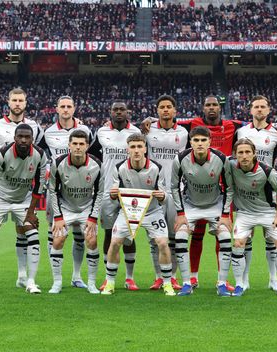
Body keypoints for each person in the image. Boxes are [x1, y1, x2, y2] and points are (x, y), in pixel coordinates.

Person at [142, 95, 244, 291]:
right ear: (202, 108)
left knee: (221, 235)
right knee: (175, 236)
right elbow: (167, 118)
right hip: (177, 190)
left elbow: (251, 122)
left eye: (215, 104)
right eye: (208, 105)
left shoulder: (232, 125)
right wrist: (149, 120)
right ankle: (186, 278)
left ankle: (222, 280)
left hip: (218, 193)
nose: (212, 108)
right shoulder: (191, 124)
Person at [0, 87, 46, 291]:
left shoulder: (34, 127)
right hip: (1, 187)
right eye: (14, 100)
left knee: (24, 231)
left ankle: (24, 277)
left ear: (25, 103)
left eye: (20, 100)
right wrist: (5, 164)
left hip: (23, 191)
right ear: (8, 102)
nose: (17, 103)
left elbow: (39, 156)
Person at [101, 133, 175, 296]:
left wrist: (163, 196)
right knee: (115, 242)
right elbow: (114, 194)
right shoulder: (119, 167)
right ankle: (110, 282)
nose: (136, 150)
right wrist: (113, 194)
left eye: (139, 146)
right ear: (127, 149)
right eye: (133, 147)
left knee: (163, 243)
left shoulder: (157, 168)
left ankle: (167, 283)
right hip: (128, 212)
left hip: (152, 211)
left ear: (145, 149)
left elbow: (165, 194)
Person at [236, 95, 277, 291]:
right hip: (245, 188)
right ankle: (244, 280)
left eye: (263, 107)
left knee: (273, 239)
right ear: (250, 110)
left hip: (269, 188)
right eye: (256, 107)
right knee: (246, 236)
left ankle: (273, 279)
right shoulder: (242, 131)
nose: (259, 110)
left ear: (268, 110)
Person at [223, 138, 277, 297]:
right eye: (240, 152)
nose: (244, 156)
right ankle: (240, 284)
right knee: (238, 243)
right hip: (245, 213)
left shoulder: (267, 171)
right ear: (235, 155)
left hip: (268, 212)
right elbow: (215, 158)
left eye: (248, 152)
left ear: (254, 154)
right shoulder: (230, 164)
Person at [171, 126, 233, 297]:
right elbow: (174, 187)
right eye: (196, 140)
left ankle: (221, 283)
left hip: (214, 204)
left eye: (203, 140)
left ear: (209, 142)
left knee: (226, 238)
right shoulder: (181, 158)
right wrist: (180, 213)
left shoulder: (221, 159)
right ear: (190, 142)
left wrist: (226, 215)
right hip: (190, 206)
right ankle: (186, 284)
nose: (199, 144)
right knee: (180, 236)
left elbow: (229, 188)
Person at [88, 101, 141, 291]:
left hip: (130, 190)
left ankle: (129, 278)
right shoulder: (101, 133)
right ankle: (108, 277)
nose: (119, 112)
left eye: (122, 110)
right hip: (107, 191)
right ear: (110, 112)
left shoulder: (136, 133)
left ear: (127, 112)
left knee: (129, 234)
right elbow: (91, 154)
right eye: (115, 110)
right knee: (109, 233)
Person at [42, 96, 92, 290]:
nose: (65, 109)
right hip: (56, 188)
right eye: (62, 106)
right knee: (53, 231)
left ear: (74, 108)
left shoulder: (85, 130)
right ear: (56, 109)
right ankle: (55, 276)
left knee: (80, 233)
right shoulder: (48, 132)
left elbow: (94, 154)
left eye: (69, 106)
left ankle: (77, 276)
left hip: (79, 189)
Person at [48, 130, 103, 294]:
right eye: (75, 144)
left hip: (86, 207)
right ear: (69, 145)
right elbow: (52, 191)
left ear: (86, 146)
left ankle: (91, 283)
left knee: (92, 241)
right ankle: (57, 282)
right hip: (65, 208)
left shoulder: (96, 164)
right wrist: (58, 217)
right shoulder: (58, 163)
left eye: (81, 144)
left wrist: (93, 217)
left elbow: (99, 193)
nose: (78, 147)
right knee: (57, 241)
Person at [146, 95, 189, 291]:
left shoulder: (184, 130)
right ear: (157, 111)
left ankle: (171, 276)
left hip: (176, 190)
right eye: (161, 107)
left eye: (168, 107)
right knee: (155, 237)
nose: (165, 110)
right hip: (154, 190)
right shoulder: (148, 129)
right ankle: (158, 276)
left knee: (174, 236)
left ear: (175, 111)